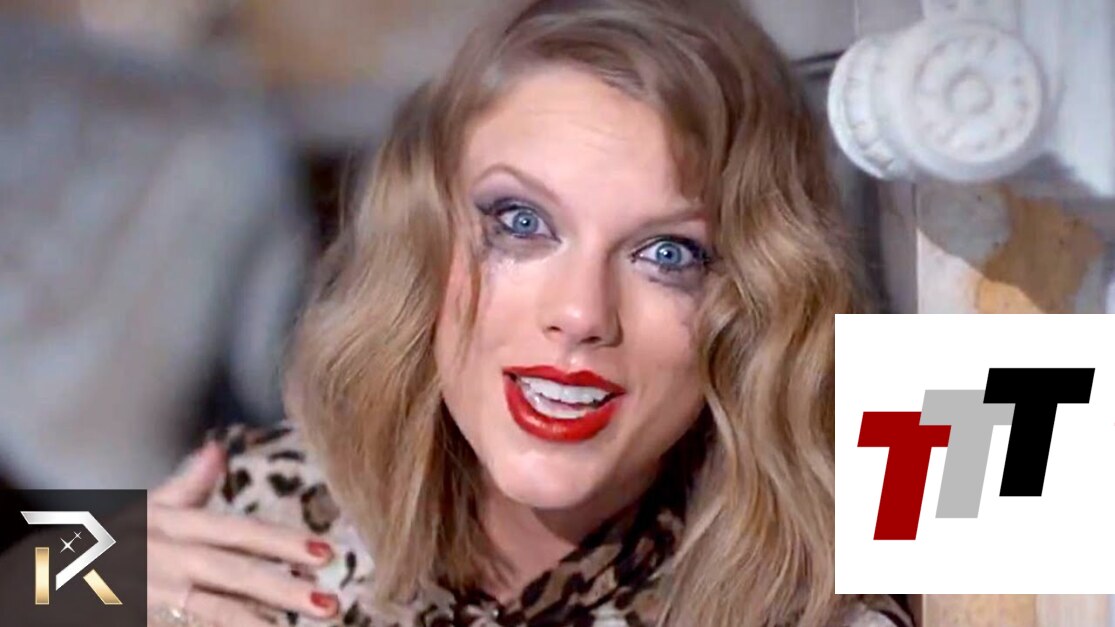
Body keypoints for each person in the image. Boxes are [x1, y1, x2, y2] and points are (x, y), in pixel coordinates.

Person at [146, 0, 915, 625]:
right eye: (520, 222)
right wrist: (98, 572)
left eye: (667, 254)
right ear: (428, 240)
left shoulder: (816, 598)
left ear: (750, 298)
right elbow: (64, 568)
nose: (580, 313)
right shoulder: (262, 505)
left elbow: (986, 331)